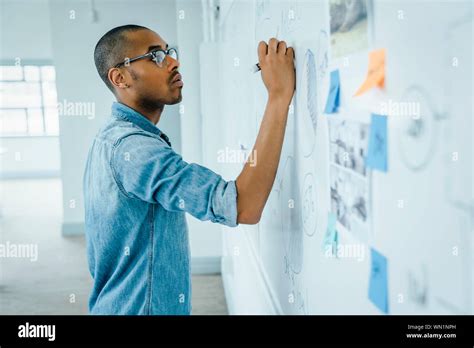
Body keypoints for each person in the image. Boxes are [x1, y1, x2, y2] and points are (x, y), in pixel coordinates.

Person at [84, 24, 295, 314]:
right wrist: (279, 96)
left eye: (169, 52)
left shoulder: (111, 136)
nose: (173, 61)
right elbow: (244, 205)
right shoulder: (134, 150)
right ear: (119, 77)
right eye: (156, 56)